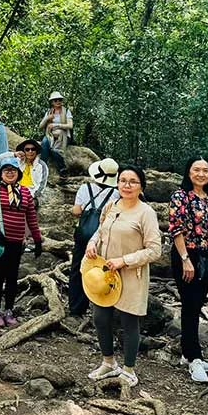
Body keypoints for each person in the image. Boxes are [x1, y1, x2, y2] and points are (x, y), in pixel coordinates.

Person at [84, 166, 161, 388]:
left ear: (141, 186)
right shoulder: (111, 205)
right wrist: (92, 243)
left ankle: (129, 370)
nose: (127, 185)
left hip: (130, 272)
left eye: (133, 181)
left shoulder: (146, 212)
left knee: (129, 321)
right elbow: (100, 231)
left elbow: (155, 250)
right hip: (105, 273)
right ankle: (108, 362)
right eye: (123, 180)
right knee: (100, 318)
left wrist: (124, 260)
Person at [169, 156, 208, 383]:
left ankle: (186, 352)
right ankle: (194, 357)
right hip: (186, 254)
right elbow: (176, 229)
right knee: (189, 304)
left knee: (197, 304)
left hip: (207, 256)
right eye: (196, 170)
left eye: (205, 170)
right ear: (188, 172)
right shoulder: (181, 196)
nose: (201, 174)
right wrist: (185, 259)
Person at [0, 155, 42, 327]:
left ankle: (9, 310)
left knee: (12, 277)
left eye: (13, 170)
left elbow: (31, 218)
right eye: (6, 170)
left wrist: (37, 240)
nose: (10, 173)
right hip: (0, 241)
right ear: (1, 173)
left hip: (16, 242)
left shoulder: (25, 192)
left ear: (18, 173)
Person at [69, 158, 119, 316]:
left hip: (83, 235)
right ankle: (102, 303)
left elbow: (76, 211)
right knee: (103, 269)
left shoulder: (85, 188)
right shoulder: (116, 193)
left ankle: (76, 307)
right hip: (104, 236)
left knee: (78, 268)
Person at [38, 91, 73, 172]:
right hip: (50, 134)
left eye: (59, 100)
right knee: (44, 143)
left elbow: (70, 125)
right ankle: (43, 168)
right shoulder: (49, 112)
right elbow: (40, 126)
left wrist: (56, 125)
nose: (58, 102)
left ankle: (62, 168)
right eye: (55, 100)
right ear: (52, 102)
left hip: (63, 135)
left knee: (55, 150)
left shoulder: (66, 111)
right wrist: (47, 118)